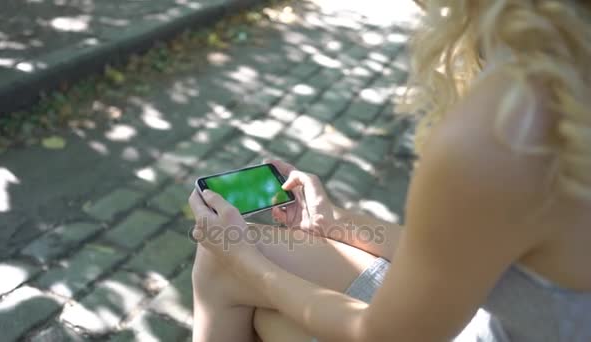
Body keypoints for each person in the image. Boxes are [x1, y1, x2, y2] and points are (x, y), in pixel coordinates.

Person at [188, 0, 591, 340]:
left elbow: (383, 335)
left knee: (235, 278)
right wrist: (335, 221)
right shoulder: (566, 72)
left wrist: (242, 262)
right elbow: (464, 255)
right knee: (248, 290)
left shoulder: (504, 132)